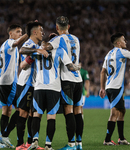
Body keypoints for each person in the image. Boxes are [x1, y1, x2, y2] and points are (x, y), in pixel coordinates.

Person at [20, 32, 81, 150]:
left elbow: (23, 61)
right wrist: (78, 67)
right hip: (54, 87)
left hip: (39, 86)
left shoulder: (38, 50)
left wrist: (36, 51)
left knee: (37, 114)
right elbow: (70, 67)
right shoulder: (60, 51)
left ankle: (35, 141)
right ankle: (48, 145)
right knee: (51, 117)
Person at [43, 16, 83, 150]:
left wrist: (50, 40)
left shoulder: (57, 39)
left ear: (56, 27)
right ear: (69, 26)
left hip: (67, 79)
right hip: (78, 79)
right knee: (78, 111)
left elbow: (45, 47)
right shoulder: (76, 39)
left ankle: (71, 144)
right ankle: (79, 143)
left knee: (69, 111)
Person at [99, 31, 130, 145]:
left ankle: (121, 138)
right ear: (118, 43)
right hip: (116, 87)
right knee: (114, 113)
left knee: (122, 111)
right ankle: (107, 139)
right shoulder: (121, 52)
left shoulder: (108, 54)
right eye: (123, 40)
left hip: (110, 87)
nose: (125, 41)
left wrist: (102, 88)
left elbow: (103, 71)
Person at [14, 21, 48, 150]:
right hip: (26, 83)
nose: (42, 32)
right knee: (23, 113)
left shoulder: (37, 45)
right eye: (41, 30)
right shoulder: (29, 44)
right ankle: (19, 144)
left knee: (33, 114)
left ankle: (30, 143)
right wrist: (36, 50)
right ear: (34, 32)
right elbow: (22, 51)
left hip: (35, 83)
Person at [0, 24, 28, 148]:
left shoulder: (4, 45)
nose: (20, 34)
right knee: (20, 109)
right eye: (18, 31)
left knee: (7, 111)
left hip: (3, 81)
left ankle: (2, 142)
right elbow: (17, 42)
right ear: (11, 34)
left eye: (21, 31)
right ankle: (4, 136)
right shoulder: (10, 42)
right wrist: (29, 32)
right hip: (9, 82)